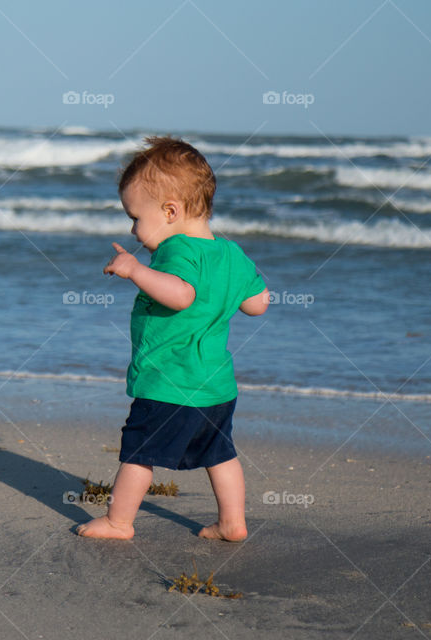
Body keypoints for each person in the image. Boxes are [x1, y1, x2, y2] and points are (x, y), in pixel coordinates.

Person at [75, 136, 269, 541]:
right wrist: (230, 290)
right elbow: (258, 303)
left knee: (139, 452)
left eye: (135, 218)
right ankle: (232, 523)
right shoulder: (231, 253)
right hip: (216, 386)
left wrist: (135, 271)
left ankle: (118, 522)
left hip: (170, 382)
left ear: (170, 211)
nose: (133, 229)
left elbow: (181, 295)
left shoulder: (176, 249)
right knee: (221, 453)